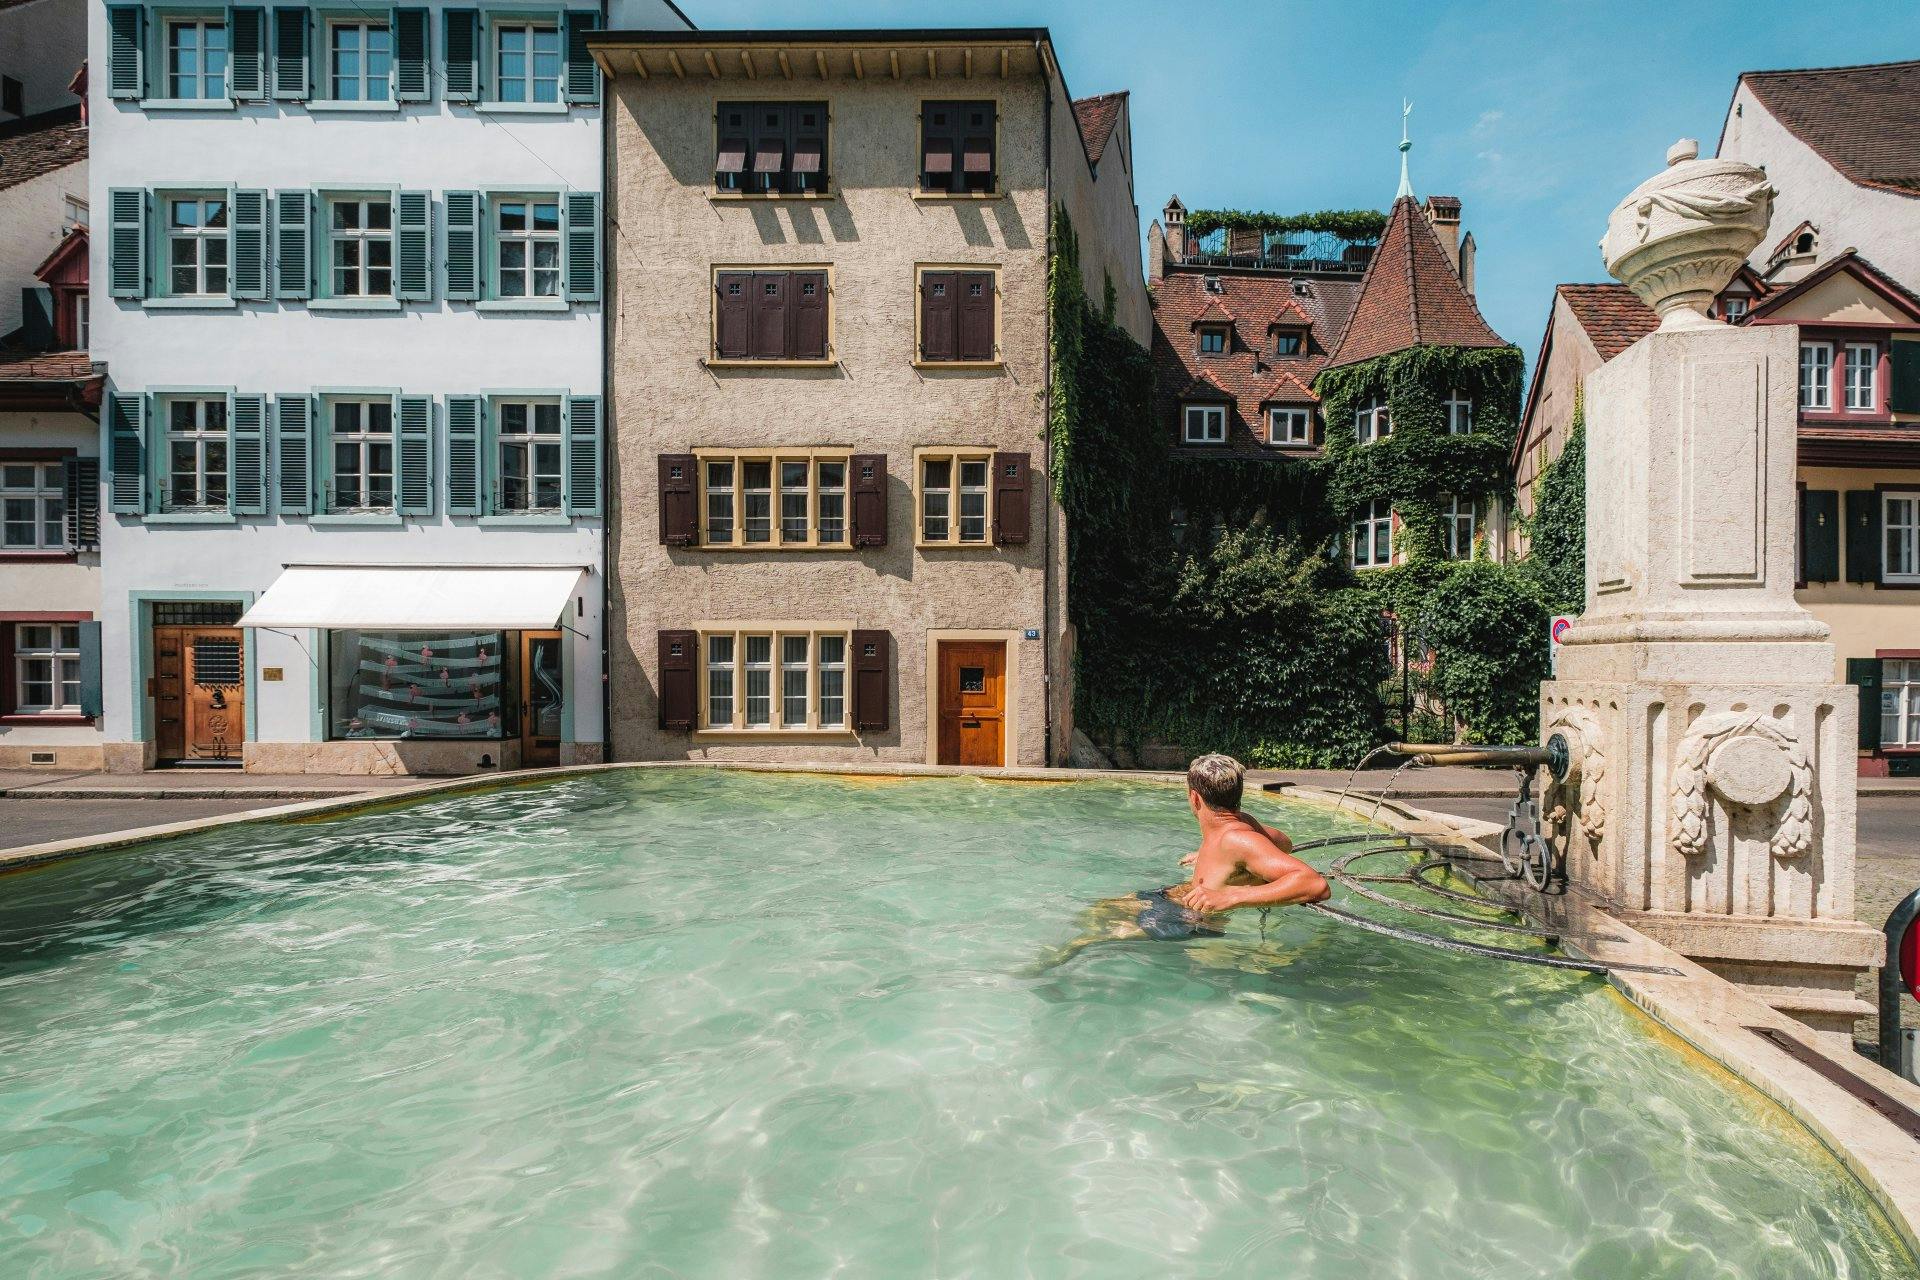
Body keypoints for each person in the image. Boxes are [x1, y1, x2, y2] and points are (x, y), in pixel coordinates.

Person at [1027, 754, 1331, 972]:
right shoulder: (1238, 827)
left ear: (1195, 798)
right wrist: (1222, 860)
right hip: (1176, 901)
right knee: (1102, 909)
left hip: (1190, 924)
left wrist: (1232, 895)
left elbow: (1314, 883)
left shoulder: (1237, 838)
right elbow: (1283, 843)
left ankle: (1039, 970)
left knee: (1088, 940)